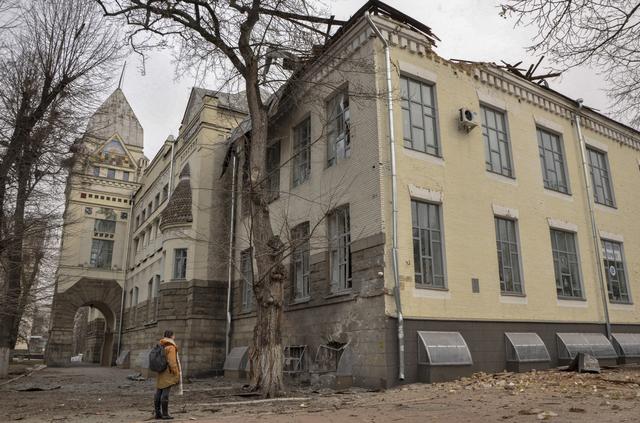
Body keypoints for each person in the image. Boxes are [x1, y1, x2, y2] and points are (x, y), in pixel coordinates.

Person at [154, 330, 182, 420]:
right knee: (165, 393)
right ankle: (165, 414)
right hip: (168, 372)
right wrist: (176, 372)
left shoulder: (161, 344)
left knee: (159, 391)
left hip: (160, 371)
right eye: (174, 335)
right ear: (172, 336)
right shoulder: (171, 346)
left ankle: (158, 413)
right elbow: (172, 361)